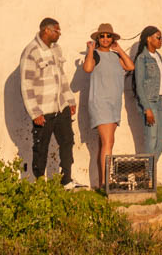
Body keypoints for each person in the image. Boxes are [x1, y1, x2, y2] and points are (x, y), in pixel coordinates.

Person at [19, 17, 81, 188]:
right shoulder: (31, 52)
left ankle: (66, 180)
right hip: (43, 110)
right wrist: (35, 112)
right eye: (56, 30)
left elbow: (62, 76)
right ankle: (40, 184)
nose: (59, 34)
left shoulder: (57, 50)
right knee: (41, 147)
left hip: (61, 107)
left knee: (67, 141)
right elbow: (26, 84)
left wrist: (69, 100)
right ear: (46, 30)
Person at [81, 22, 133, 190]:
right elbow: (88, 68)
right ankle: (106, 183)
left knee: (106, 143)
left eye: (108, 36)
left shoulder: (115, 56)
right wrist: (90, 50)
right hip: (100, 103)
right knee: (108, 142)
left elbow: (130, 66)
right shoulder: (94, 55)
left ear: (112, 39)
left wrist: (119, 50)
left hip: (114, 104)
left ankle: (102, 182)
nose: (104, 38)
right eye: (101, 36)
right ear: (97, 39)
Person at [132, 25, 162, 160]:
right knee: (151, 139)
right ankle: (148, 176)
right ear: (149, 39)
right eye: (158, 37)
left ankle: (146, 173)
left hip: (160, 100)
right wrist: (147, 108)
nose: (161, 40)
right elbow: (140, 86)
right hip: (149, 101)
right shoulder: (142, 58)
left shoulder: (158, 56)